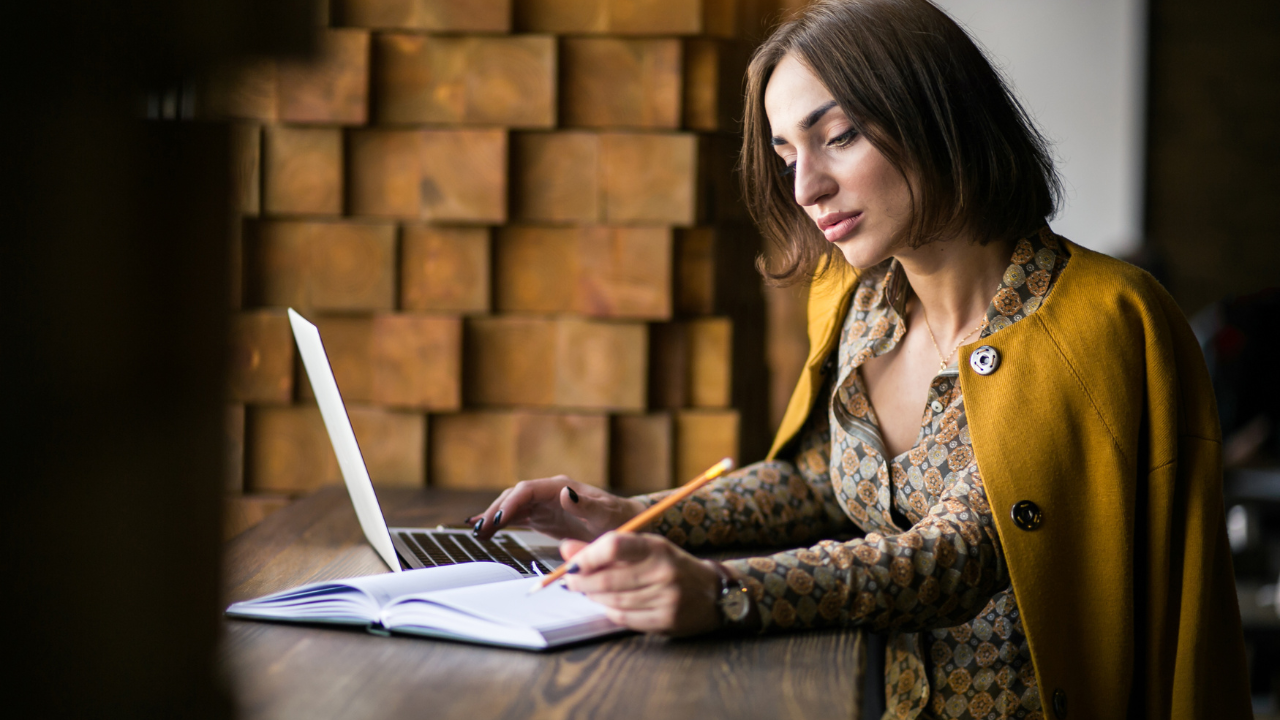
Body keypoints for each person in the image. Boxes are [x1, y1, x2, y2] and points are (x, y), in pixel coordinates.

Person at [471, 1, 1251, 717]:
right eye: (786, 154)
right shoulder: (857, 302)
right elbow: (817, 482)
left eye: (837, 135)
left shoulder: (1102, 319)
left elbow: (960, 555)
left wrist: (725, 590)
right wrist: (632, 511)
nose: (807, 186)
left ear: (937, 116)